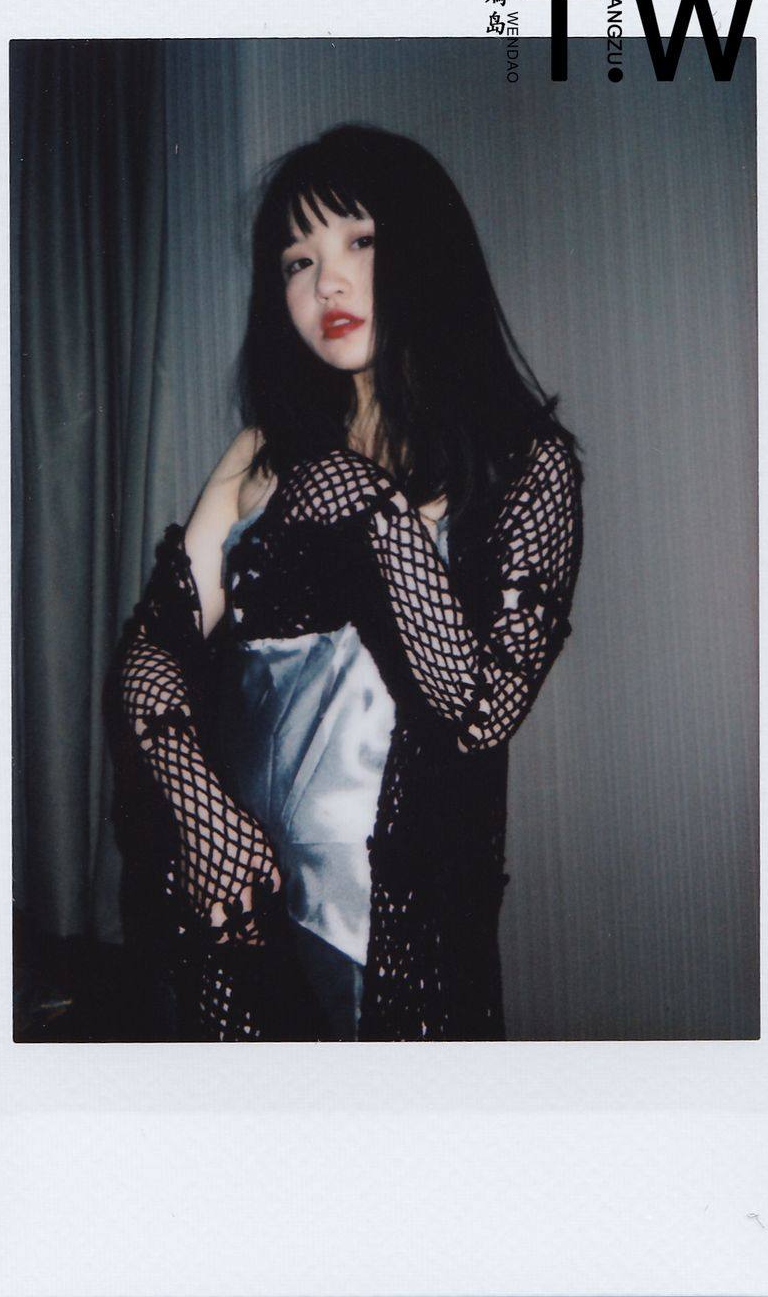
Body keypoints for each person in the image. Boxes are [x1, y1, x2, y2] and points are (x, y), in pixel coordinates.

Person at [115, 123, 583, 1042]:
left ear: (426, 249)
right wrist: (200, 811)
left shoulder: (527, 466)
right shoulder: (259, 452)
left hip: (396, 919)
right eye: (298, 261)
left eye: (358, 242)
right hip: (231, 895)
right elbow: (151, 651)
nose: (326, 282)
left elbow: (482, 709)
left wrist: (367, 503)